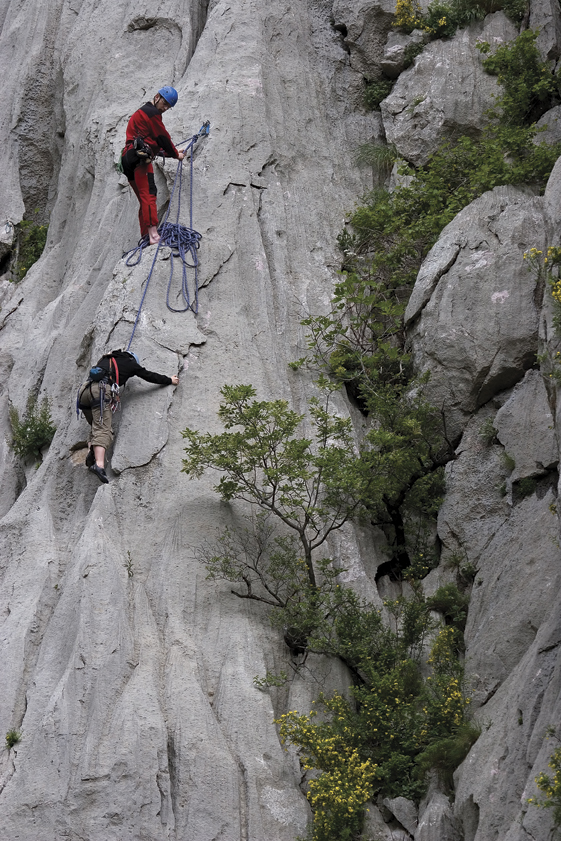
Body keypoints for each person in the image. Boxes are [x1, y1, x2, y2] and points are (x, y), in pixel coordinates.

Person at [78, 349, 179, 483]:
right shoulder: (131, 364)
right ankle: (99, 465)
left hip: (84, 391)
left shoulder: (106, 358)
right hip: (100, 391)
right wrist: (169, 380)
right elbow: (148, 375)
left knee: (96, 426)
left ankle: (93, 453)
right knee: (103, 430)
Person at [121, 87, 185, 245]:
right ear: (157, 97)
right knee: (149, 194)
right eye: (164, 103)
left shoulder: (141, 113)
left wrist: (171, 152)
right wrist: (177, 155)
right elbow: (163, 137)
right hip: (140, 160)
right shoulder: (152, 114)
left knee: (143, 200)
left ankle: (145, 236)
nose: (165, 108)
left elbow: (152, 141)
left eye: (168, 107)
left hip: (128, 159)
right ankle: (154, 236)